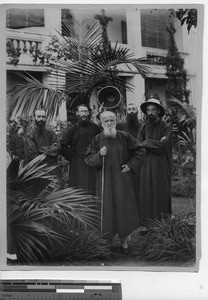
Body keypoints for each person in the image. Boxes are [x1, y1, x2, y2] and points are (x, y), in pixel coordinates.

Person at [85, 110, 145, 254]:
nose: (109, 123)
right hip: (104, 182)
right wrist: (99, 154)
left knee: (123, 210)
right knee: (107, 211)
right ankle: (108, 243)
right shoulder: (97, 139)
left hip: (122, 182)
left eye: (112, 120)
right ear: (101, 122)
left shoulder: (124, 137)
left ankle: (124, 243)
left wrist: (130, 166)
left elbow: (140, 150)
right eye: (106, 121)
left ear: (116, 121)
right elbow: (88, 159)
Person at [137, 98, 173, 227]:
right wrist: (153, 144)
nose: (150, 112)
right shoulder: (143, 127)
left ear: (158, 111)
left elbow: (165, 145)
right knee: (146, 192)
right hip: (146, 164)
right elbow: (139, 146)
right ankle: (148, 225)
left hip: (161, 164)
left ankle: (162, 223)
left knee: (160, 191)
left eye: (153, 110)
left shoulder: (166, 126)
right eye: (148, 110)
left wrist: (147, 143)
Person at [60, 104, 101, 194]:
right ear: (77, 113)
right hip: (78, 163)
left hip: (92, 162)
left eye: (85, 111)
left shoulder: (95, 127)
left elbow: (101, 141)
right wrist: (72, 157)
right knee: (79, 188)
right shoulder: (72, 129)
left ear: (88, 113)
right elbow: (62, 145)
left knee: (93, 186)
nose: (84, 114)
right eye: (81, 111)